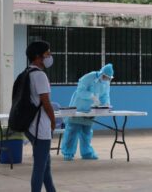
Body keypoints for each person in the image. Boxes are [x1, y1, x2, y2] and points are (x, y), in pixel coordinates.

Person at [61, 63, 114, 161]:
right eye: (105, 77)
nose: (106, 79)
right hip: (79, 107)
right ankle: (68, 153)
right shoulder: (89, 77)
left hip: (91, 110)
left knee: (86, 132)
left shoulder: (106, 82)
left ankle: (87, 153)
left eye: (108, 78)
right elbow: (80, 91)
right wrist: (91, 96)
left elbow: (105, 95)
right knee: (72, 130)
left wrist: (106, 104)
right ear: (101, 73)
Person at [25, 41, 56, 192]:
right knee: (40, 167)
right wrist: (53, 120)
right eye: (47, 54)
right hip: (40, 128)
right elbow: (46, 102)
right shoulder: (40, 76)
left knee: (45, 165)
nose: (50, 57)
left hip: (29, 126)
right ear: (38, 57)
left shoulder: (26, 73)